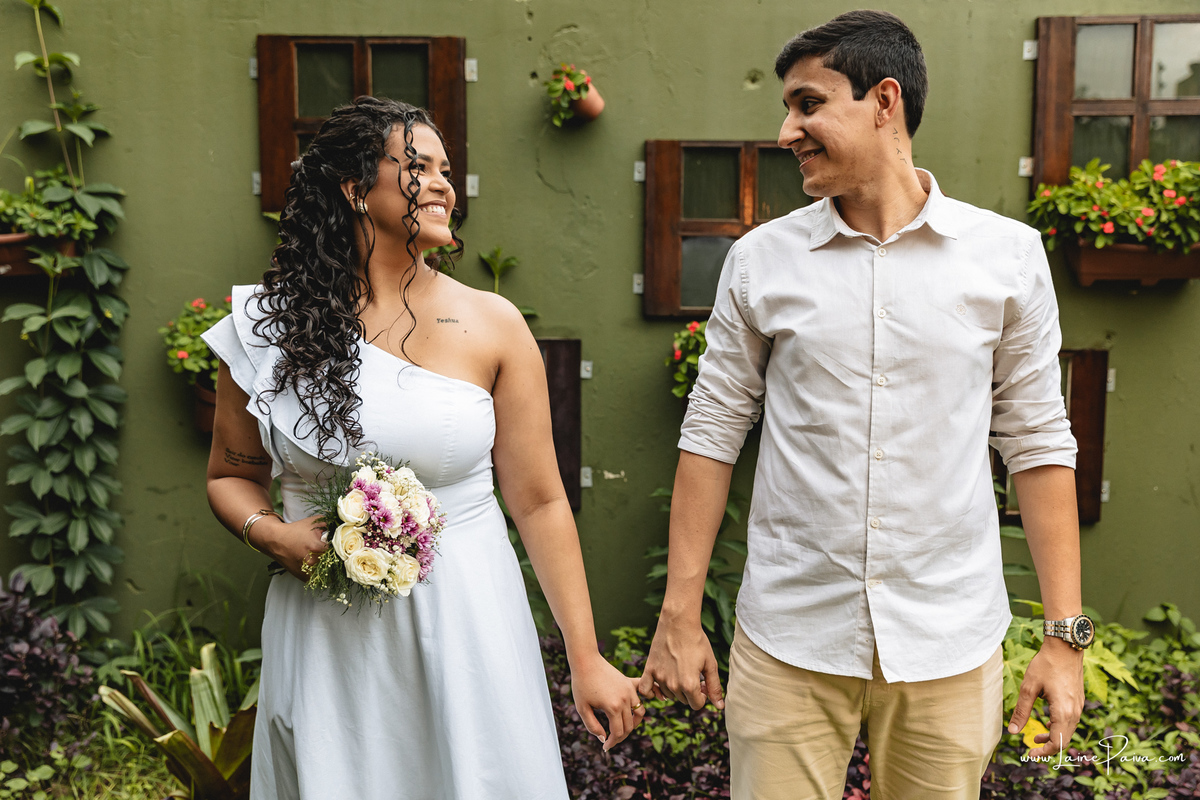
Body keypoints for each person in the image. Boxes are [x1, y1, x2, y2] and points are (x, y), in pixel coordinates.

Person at [638, 10, 1088, 800]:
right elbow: (711, 434)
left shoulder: (1008, 258)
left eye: (808, 104)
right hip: (790, 637)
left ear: (885, 102)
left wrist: (1065, 638)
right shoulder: (761, 261)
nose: (788, 131)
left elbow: (1040, 442)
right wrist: (679, 615)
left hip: (951, 638)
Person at [202, 96, 643, 800]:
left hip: (468, 616)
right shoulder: (263, 330)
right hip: (327, 631)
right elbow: (230, 476)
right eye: (419, 167)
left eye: (447, 169)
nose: (444, 184)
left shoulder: (493, 323)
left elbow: (539, 500)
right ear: (354, 188)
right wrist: (274, 536)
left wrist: (585, 658)